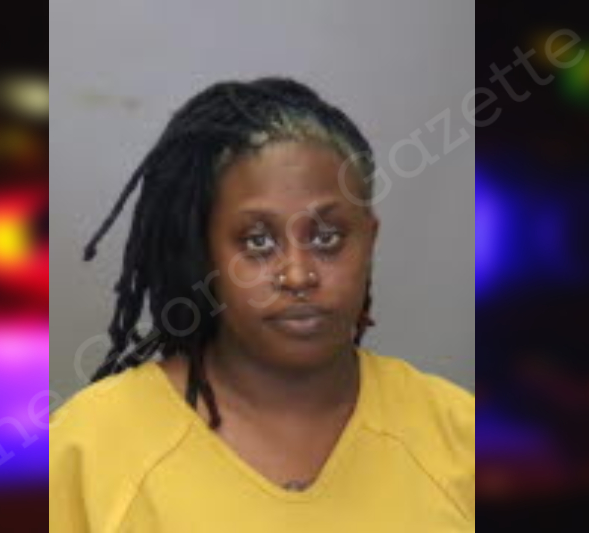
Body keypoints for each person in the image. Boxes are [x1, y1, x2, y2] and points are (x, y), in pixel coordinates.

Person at [49, 77, 474, 532]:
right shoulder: (89, 448)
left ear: (369, 241)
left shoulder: (460, 435)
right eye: (257, 241)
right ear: (203, 253)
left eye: (327, 238)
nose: (298, 275)